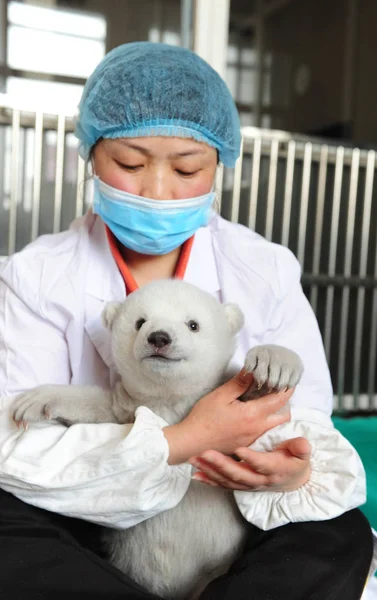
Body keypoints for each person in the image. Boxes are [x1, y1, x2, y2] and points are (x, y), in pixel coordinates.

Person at [0, 42, 373, 600]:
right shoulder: (35, 276)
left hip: (229, 519)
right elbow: (16, 452)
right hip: (91, 518)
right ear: (91, 155)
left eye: (187, 167)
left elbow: (309, 421)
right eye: (128, 163)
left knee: (338, 532)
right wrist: (181, 440)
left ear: (219, 163)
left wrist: (293, 473)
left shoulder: (263, 268)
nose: (156, 191)